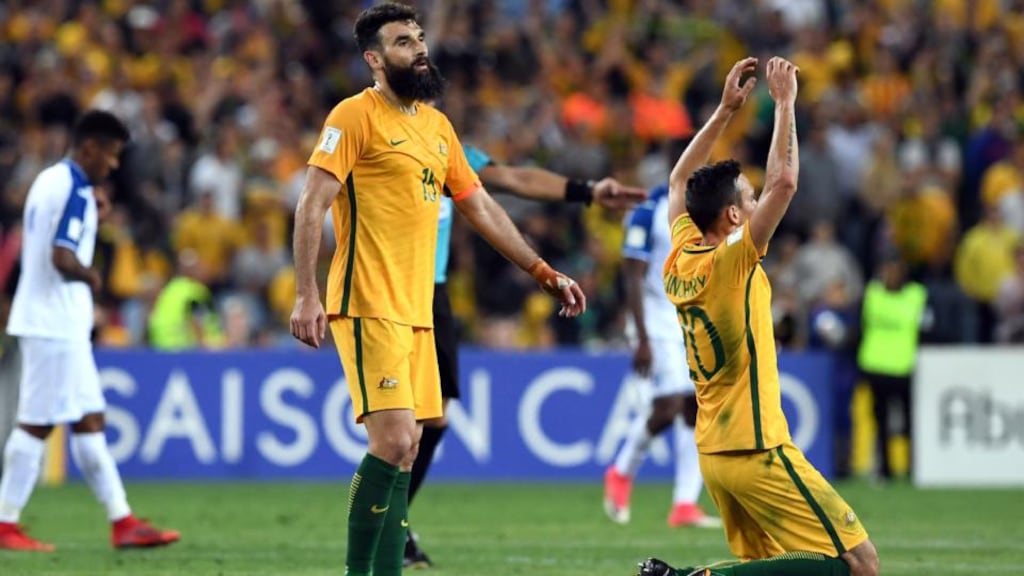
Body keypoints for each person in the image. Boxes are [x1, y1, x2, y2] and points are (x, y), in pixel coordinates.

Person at [288, 5, 585, 576]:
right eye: (403, 42)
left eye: (420, 38)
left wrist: (542, 270)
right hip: (368, 301)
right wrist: (306, 293)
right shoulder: (353, 117)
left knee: (410, 449)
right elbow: (312, 203)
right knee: (393, 440)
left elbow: (482, 208)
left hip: (419, 308)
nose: (419, 48)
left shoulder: (437, 127)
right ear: (375, 60)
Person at [637, 57, 879, 576]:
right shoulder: (732, 260)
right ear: (730, 216)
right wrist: (786, 103)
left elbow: (680, 179)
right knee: (859, 563)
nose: (754, 203)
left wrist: (726, 110)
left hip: (714, 455)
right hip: (756, 447)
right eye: (746, 200)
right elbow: (784, 182)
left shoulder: (679, 257)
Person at [405, 144, 646, 567]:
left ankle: (394, 522)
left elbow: (516, 179)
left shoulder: (442, 142)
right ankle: (385, 527)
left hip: (433, 292)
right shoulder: (373, 134)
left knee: (434, 419)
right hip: (387, 287)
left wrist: (586, 191)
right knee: (397, 428)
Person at [0, 110, 180, 551]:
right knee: (36, 424)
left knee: (89, 421)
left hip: (53, 322)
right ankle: (4, 523)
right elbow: (62, 257)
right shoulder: (77, 190)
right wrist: (91, 276)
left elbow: (42, 242)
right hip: (55, 324)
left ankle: (123, 521)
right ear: (90, 149)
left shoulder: (48, 180)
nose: (114, 165)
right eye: (112, 155)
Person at [602, 180, 720, 529]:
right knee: (669, 405)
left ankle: (684, 503)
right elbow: (632, 275)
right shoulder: (648, 211)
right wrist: (640, 336)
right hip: (654, 317)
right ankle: (621, 472)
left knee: (693, 408)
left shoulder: (704, 210)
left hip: (689, 316)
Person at [856, 252, 930, 482]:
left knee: (910, 421)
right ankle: (886, 469)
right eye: (888, 270)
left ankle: (912, 468)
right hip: (876, 366)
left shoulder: (916, 295)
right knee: (881, 421)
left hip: (903, 367)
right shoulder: (873, 294)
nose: (891, 275)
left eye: (896, 270)